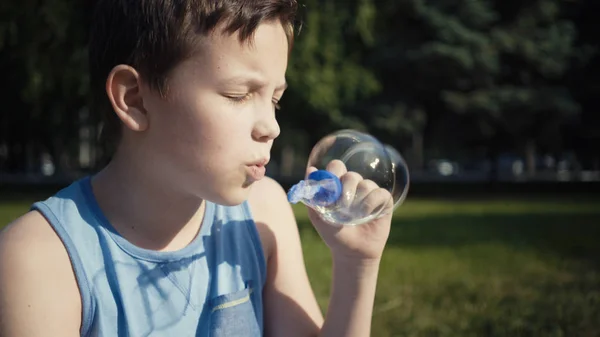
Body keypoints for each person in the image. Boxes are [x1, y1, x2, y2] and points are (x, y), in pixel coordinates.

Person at [0, 0, 393, 336]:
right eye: (238, 95)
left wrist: (356, 264)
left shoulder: (262, 216)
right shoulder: (41, 259)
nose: (271, 127)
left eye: (275, 99)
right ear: (135, 98)